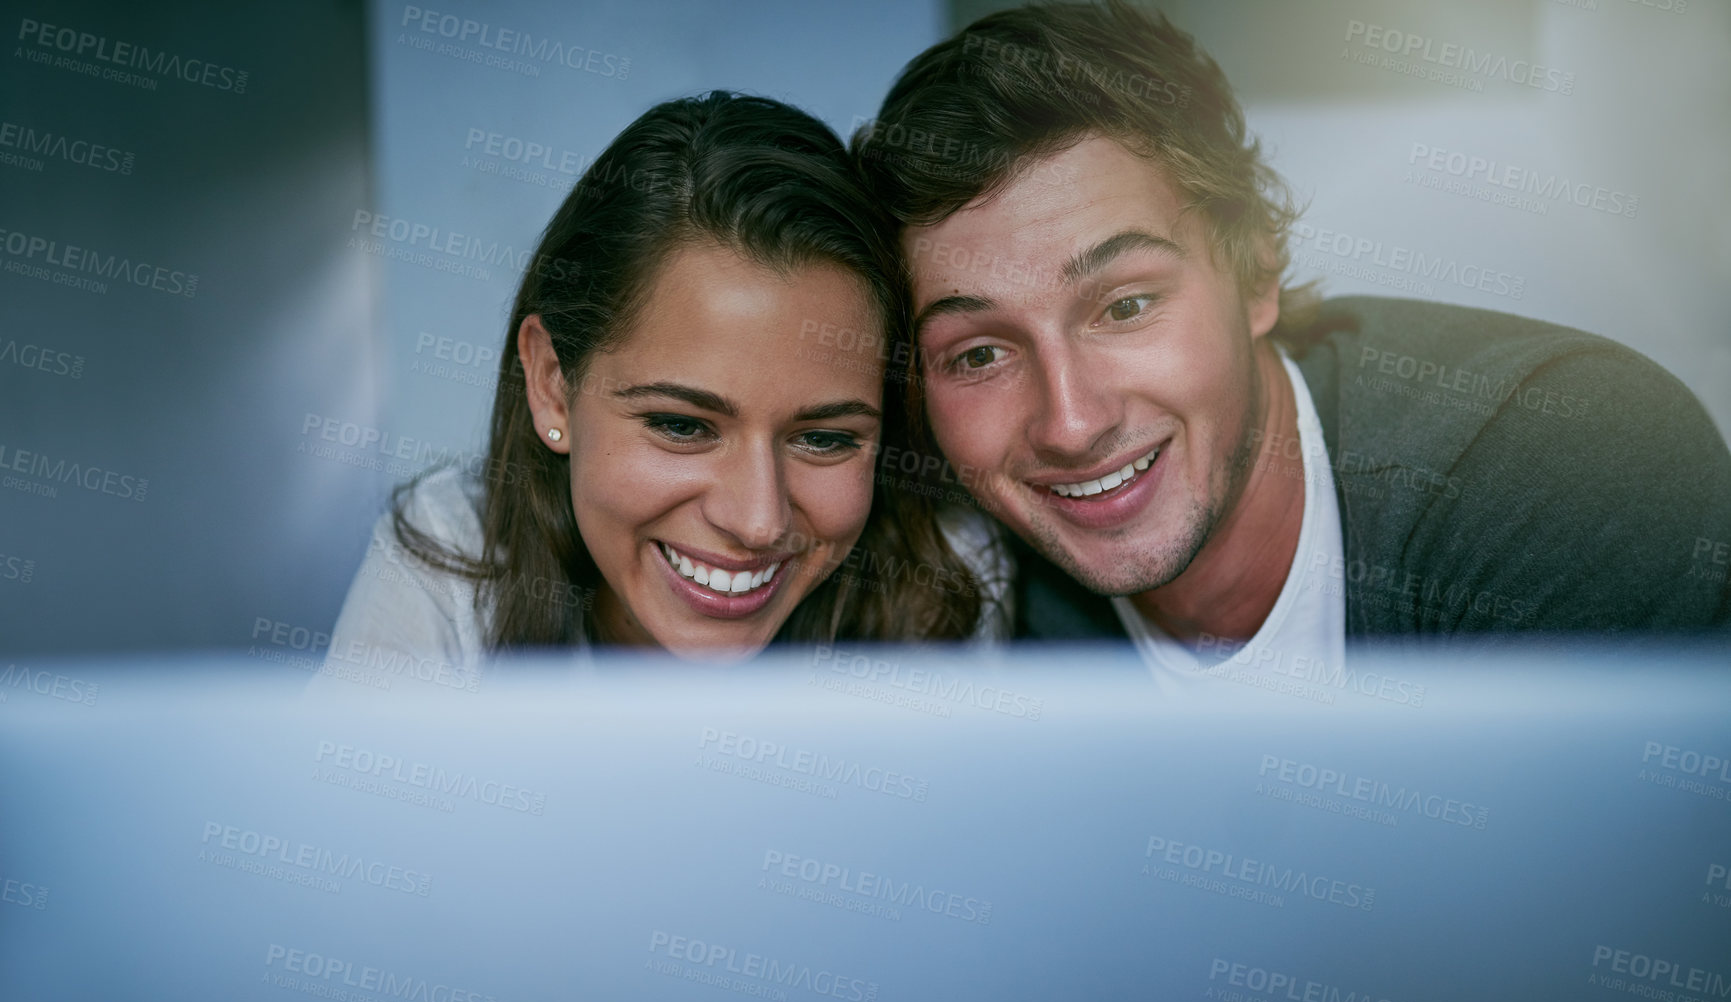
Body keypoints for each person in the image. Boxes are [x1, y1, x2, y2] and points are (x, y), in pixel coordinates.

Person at [852, 0, 1731, 693]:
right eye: (977, 355)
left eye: (1124, 306)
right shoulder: (961, 581)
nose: (1071, 422)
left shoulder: (1569, 463)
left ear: (1255, 273)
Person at [319, 92, 1002, 690]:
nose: (758, 520)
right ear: (553, 386)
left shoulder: (943, 578)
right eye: (682, 425)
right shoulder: (451, 563)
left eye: (824, 438)